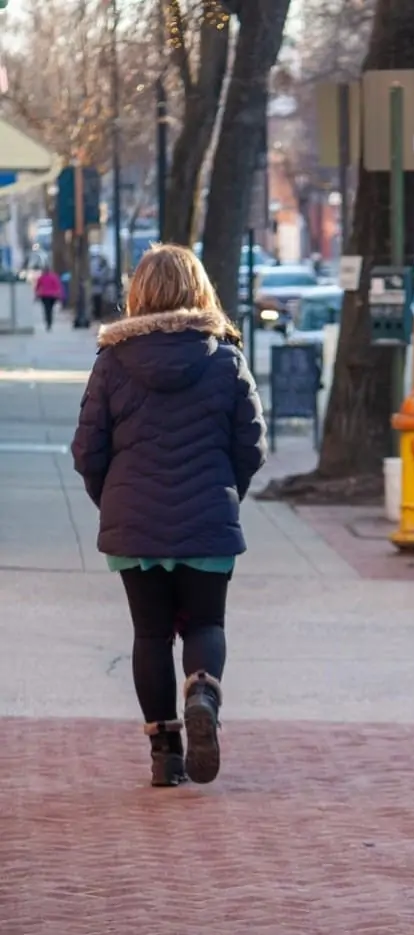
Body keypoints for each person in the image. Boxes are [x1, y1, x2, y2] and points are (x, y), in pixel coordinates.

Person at [71, 244, 267, 788]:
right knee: (206, 623)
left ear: (137, 293)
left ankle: (165, 754)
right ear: (199, 290)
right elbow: (251, 445)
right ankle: (203, 689)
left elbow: (88, 449)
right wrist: (226, 493)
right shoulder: (225, 358)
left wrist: (112, 501)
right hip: (208, 518)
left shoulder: (112, 363)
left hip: (134, 526)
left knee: (150, 635)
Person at [35, 265, 64, 331]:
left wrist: (37, 294)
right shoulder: (54, 277)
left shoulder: (41, 277)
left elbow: (38, 286)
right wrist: (59, 294)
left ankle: (48, 322)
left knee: (46, 309)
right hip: (52, 296)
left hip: (44, 295)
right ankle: (50, 321)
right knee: (50, 309)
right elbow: (57, 286)